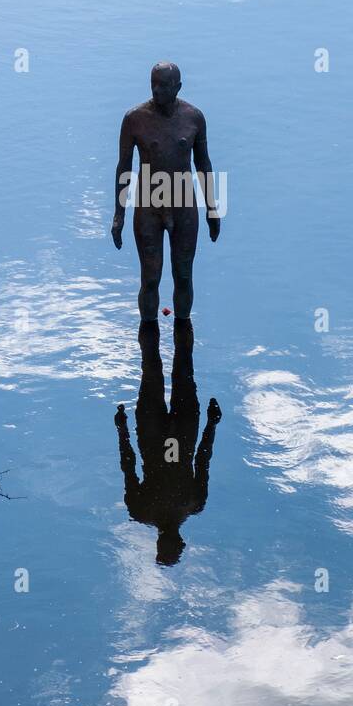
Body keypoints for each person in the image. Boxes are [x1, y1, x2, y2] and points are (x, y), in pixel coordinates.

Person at [111, 62, 220, 321]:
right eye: (153, 85)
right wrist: (119, 214)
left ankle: (183, 333)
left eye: (163, 86)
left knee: (183, 275)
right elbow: (124, 168)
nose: (156, 91)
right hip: (149, 205)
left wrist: (212, 209)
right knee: (150, 277)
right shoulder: (134, 120)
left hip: (184, 204)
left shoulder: (193, 118)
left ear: (178, 87)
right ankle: (148, 336)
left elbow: (203, 164)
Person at [115, 320, 221, 566]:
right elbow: (202, 459)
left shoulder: (147, 510)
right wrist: (211, 425)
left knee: (163, 366)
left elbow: (128, 466)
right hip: (171, 434)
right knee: (172, 365)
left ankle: (158, 312)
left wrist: (122, 430)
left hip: (165, 434)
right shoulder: (186, 504)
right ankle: (173, 312)